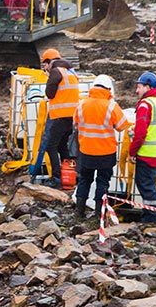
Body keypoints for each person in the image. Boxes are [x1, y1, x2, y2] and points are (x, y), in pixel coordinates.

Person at [71, 73, 127, 224]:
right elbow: (122, 126)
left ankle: (79, 212)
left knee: (84, 180)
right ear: (109, 89)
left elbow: (75, 123)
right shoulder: (111, 106)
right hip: (106, 153)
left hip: (86, 151)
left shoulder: (82, 104)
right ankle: (98, 214)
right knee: (103, 182)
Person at [126, 71, 156, 220]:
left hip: (146, 153)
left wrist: (132, 152)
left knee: (146, 187)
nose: (136, 91)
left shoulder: (145, 105)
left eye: (139, 87)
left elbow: (141, 133)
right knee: (151, 185)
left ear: (148, 87)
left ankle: (151, 218)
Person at [32, 48, 79, 187]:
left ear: (49, 62)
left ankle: (57, 177)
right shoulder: (70, 71)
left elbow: (50, 93)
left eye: (45, 65)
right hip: (72, 116)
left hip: (60, 116)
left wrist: (49, 77)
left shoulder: (55, 71)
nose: (45, 68)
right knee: (62, 146)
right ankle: (68, 175)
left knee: (51, 146)